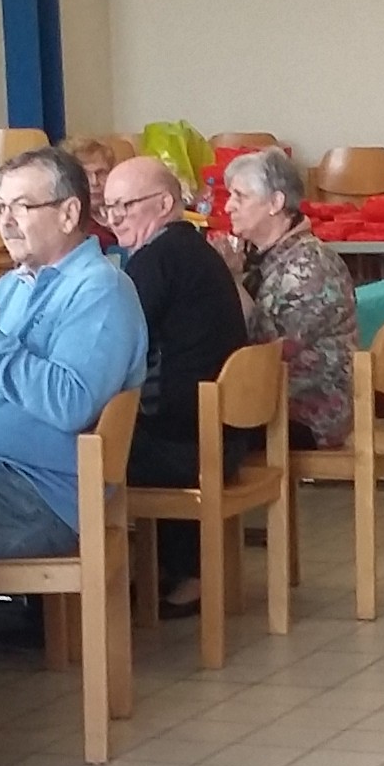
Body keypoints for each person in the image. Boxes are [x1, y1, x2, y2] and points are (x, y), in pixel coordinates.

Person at [0, 146, 148, 561]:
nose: (5, 222)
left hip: (40, 495)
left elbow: (70, 404)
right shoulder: (14, 284)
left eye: (22, 207)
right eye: (1, 207)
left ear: (68, 213)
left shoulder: (101, 289)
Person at [99, 157, 244, 615]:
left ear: (164, 204)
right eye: (108, 207)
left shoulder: (159, 259)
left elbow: (113, 338)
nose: (114, 217)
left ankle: (84, 593)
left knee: (76, 453)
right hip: (219, 429)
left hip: (190, 443)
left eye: (125, 205)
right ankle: (163, 569)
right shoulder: (190, 248)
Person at [220, 145, 356, 452]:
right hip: (274, 395)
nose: (228, 207)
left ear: (275, 203)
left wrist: (230, 279)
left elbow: (263, 349)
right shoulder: (262, 258)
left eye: (240, 196)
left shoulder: (310, 264)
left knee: (195, 428)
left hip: (308, 413)